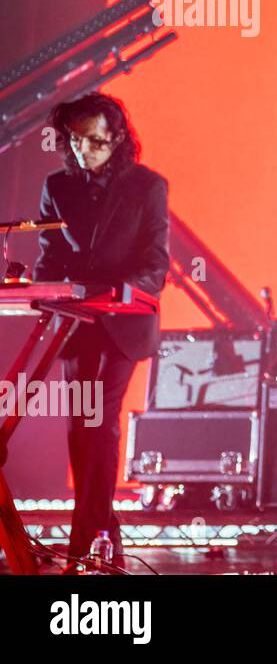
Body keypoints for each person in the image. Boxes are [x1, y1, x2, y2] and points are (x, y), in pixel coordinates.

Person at [33, 92, 169, 571]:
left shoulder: (148, 186)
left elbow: (157, 260)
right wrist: (43, 285)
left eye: (95, 141)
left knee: (102, 422)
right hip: (75, 321)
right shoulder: (57, 186)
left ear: (116, 138)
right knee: (79, 426)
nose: (85, 150)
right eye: (76, 141)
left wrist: (125, 291)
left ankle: (81, 539)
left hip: (123, 320)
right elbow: (49, 252)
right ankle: (103, 529)